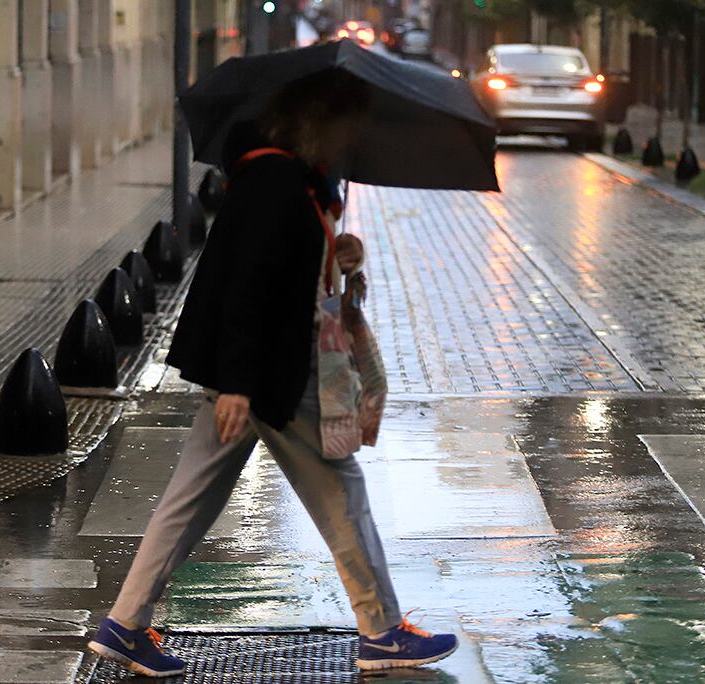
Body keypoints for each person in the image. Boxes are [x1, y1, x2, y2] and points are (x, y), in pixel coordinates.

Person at [87, 73, 458, 677]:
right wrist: (237, 382)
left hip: (254, 368)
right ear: (318, 123)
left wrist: (335, 257)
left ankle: (124, 626)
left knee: (190, 500)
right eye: (345, 128)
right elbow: (248, 287)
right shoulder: (276, 180)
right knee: (343, 493)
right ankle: (382, 631)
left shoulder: (287, 180)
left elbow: (279, 271)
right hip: (272, 372)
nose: (350, 140)